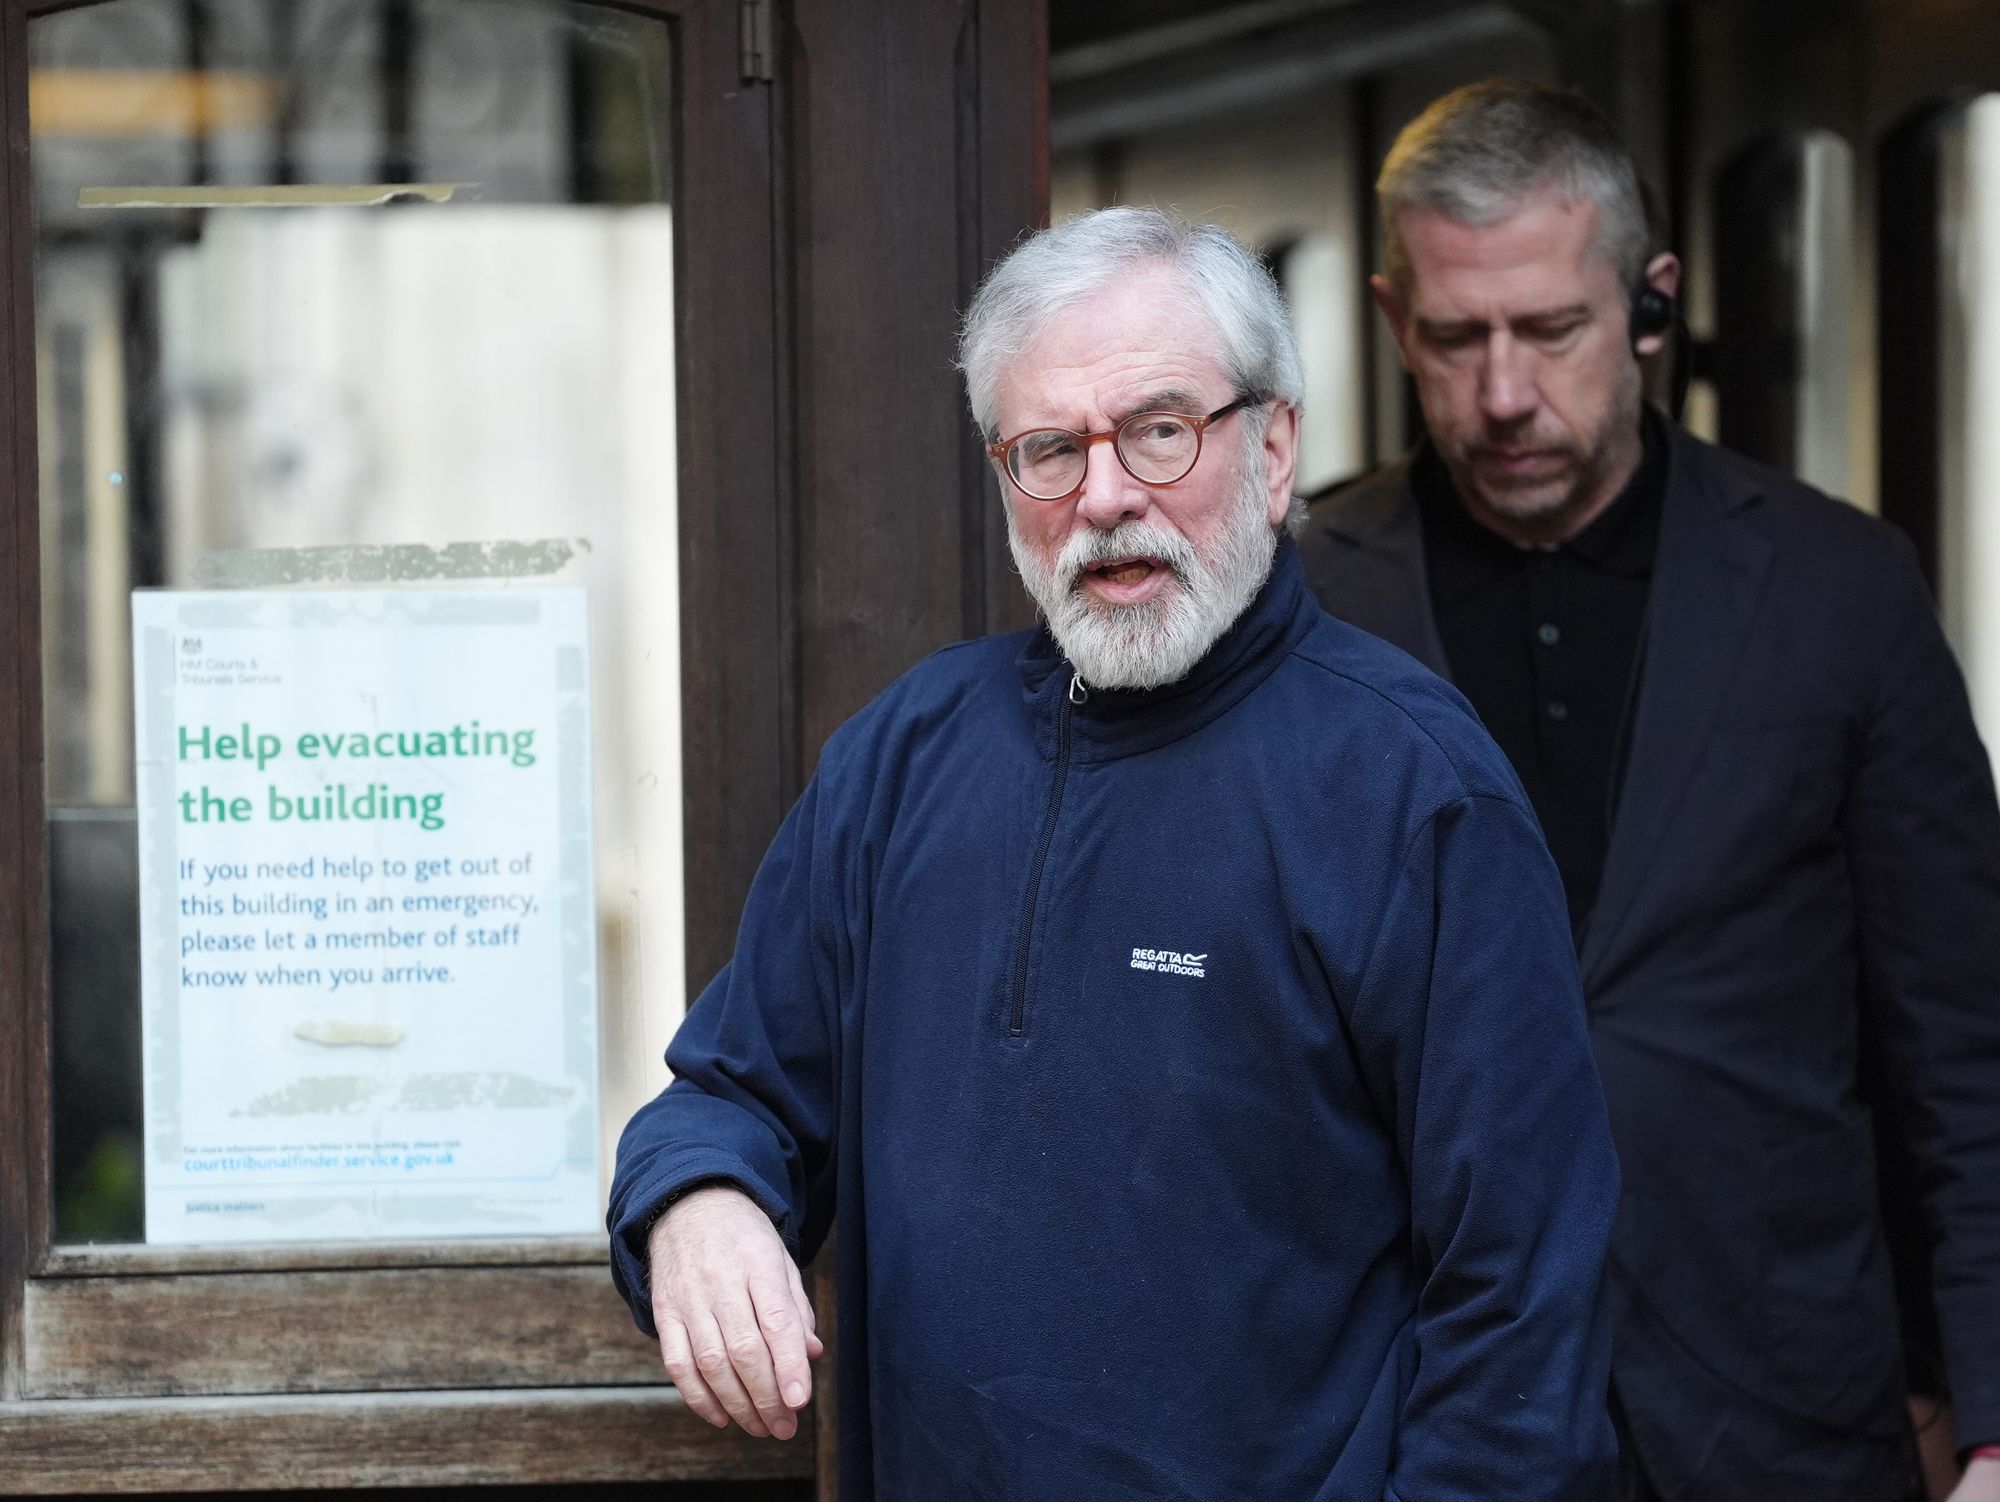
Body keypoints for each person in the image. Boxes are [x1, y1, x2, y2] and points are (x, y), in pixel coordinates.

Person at [608, 205, 1621, 1501]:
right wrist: (695, 1200)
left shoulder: (1414, 795)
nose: (1103, 496)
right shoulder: (904, 759)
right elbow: (729, 1096)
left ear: (1273, 447)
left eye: (1158, 430)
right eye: (1048, 448)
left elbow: (1524, 1323)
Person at [1301, 77, 2000, 1502]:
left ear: (1649, 302)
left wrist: (1991, 1418)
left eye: (1551, 329)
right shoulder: (1300, 599)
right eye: (1453, 338)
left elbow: (1965, 1045)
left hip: (1783, 1410)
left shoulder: (1839, 587)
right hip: (1414, 1422)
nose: (1503, 393)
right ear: (1390, 320)